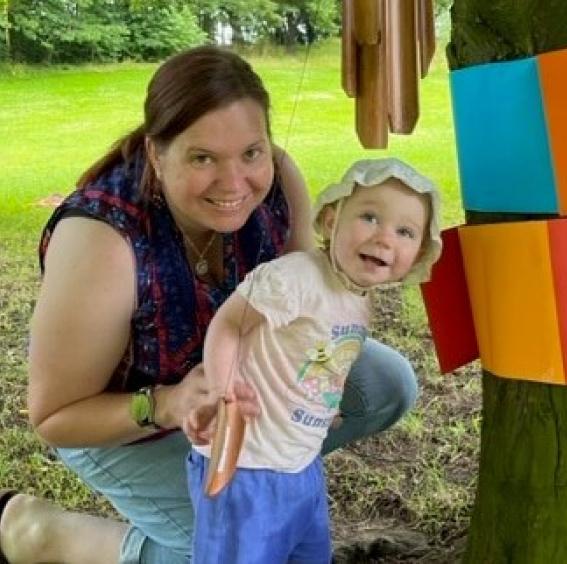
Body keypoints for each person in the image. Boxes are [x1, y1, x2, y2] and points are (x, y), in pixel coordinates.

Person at [0, 46, 422, 564]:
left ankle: (258, 488)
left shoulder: (279, 183)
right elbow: (57, 415)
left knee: (382, 383)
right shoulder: (102, 242)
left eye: (252, 153)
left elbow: (313, 304)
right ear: (157, 154)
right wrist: (169, 404)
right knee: (226, 551)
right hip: (124, 424)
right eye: (203, 158)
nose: (234, 184)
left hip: (236, 392)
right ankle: (45, 534)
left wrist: (315, 387)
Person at [183, 158, 442, 563]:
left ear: (418, 253)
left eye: (405, 232)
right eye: (369, 217)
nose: (384, 238)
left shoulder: (355, 298)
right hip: (247, 466)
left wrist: (324, 406)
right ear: (329, 219)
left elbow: (319, 357)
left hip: (300, 463)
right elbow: (229, 324)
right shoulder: (296, 279)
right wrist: (222, 387)